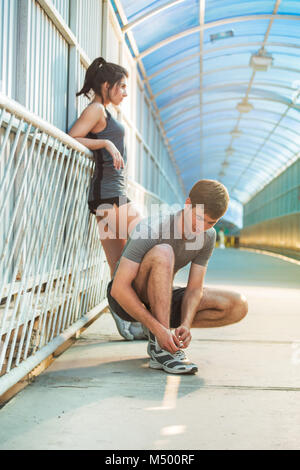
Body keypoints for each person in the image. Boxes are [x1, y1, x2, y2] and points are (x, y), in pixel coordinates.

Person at [107, 180, 248, 374]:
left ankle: (164, 338)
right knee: (164, 252)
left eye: (211, 222)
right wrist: (158, 328)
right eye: (199, 218)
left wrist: (186, 324)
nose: (202, 227)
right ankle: (161, 345)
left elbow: (194, 288)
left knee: (237, 305)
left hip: (161, 295)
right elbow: (119, 289)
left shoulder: (207, 236)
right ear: (188, 204)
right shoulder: (152, 229)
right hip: (126, 299)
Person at [68, 57, 145, 341]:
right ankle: (136, 320)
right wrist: (105, 142)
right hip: (108, 198)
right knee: (139, 254)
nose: (125, 92)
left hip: (113, 197)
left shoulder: (106, 112)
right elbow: (73, 136)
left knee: (123, 264)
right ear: (106, 85)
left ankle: (129, 319)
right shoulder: (97, 109)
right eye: (122, 86)